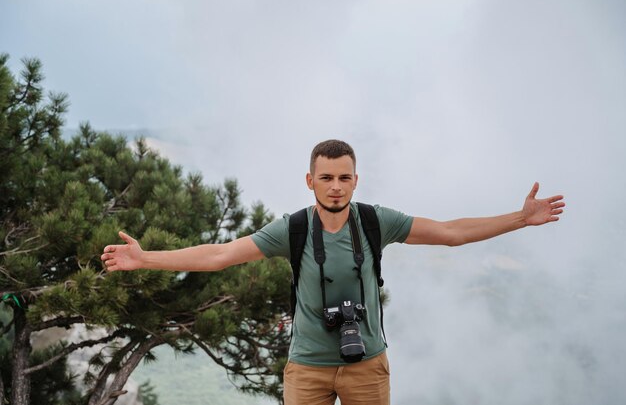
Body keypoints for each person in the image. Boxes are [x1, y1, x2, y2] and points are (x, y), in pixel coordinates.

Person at [101, 139, 565, 405]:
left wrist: (519, 218)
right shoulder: (294, 229)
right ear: (310, 181)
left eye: (344, 177)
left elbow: (449, 232)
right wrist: (146, 259)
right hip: (307, 368)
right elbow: (219, 255)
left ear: (355, 180)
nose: (336, 186)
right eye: (326, 177)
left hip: (367, 365)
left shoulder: (375, 221)